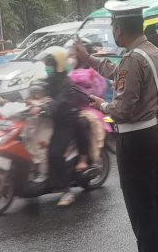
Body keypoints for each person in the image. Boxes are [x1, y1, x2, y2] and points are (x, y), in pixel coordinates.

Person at [74, 0, 158, 252]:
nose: (113, 31)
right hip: (155, 133)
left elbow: (123, 109)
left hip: (136, 140)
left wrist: (102, 106)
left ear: (119, 28)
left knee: (141, 207)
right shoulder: (151, 52)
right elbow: (118, 73)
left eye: (114, 26)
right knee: (155, 200)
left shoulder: (133, 59)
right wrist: (89, 58)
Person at [38, 46, 91, 206]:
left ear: (58, 65)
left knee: (55, 152)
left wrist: (46, 107)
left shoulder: (66, 82)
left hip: (65, 120)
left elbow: (60, 101)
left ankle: (67, 191)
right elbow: (38, 87)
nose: (48, 68)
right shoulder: (51, 80)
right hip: (53, 119)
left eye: (50, 65)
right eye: (46, 65)